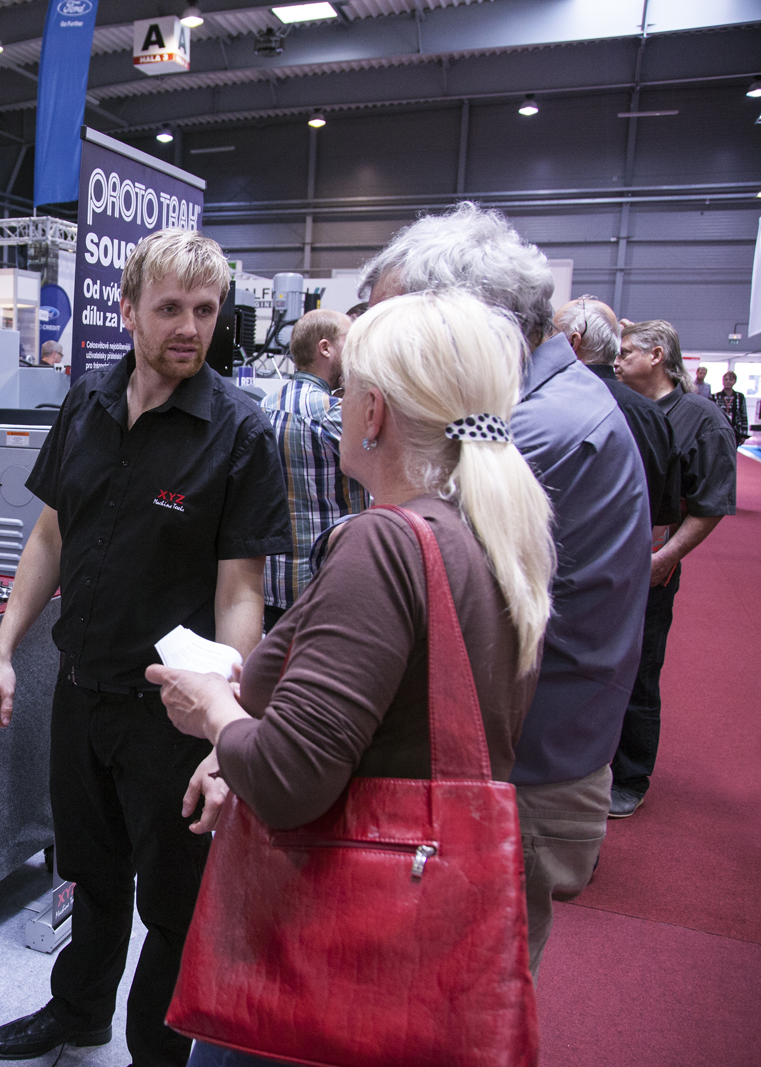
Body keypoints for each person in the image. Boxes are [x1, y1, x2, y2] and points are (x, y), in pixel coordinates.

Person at [151, 290, 555, 1067]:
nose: (336, 409)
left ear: (373, 413)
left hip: (321, 952)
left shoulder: (384, 544)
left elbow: (288, 778)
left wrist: (215, 713)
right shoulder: (488, 535)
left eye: (345, 393)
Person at [0, 228, 292, 1067]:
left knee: (175, 905)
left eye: (206, 310)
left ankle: (156, 1053)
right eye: (170, 308)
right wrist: (3, 649)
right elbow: (50, 534)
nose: (190, 327)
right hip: (81, 691)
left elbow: (241, 592)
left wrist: (226, 727)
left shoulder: (240, 433)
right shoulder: (86, 403)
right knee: (91, 870)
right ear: (126, 309)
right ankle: (79, 1011)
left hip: (172, 714)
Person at [360, 201, 648, 971]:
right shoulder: (544, 407)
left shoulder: (523, 435)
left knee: (448, 994)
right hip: (530, 759)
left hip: (511, 777)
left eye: (397, 330)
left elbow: (412, 601)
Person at [609, 320, 738, 817]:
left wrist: (667, 558)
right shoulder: (616, 405)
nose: (616, 360)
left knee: (641, 670)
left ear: (657, 356)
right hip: (602, 559)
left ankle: (631, 776)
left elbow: (711, 504)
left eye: (626, 352)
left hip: (652, 565)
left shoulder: (701, 420)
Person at [260, 309, 369, 631]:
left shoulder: (263, 405)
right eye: (350, 342)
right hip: (322, 581)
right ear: (325, 348)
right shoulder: (332, 413)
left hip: (272, 582)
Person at [552, 296, 681, 529]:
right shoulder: (651, 415)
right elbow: (663, 511)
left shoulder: (553, 403)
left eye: (552, 337)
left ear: (573, 342)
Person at [712, 370, 750, 448]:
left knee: (732, 452)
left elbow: (743, 415)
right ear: (722, 381)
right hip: (719, 430)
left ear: (734, 381)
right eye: (726, 379)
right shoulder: (715, 397)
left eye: (731, 379)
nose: (728, 382)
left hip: (735, 430)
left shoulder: (740, 397)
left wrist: (743, 434)